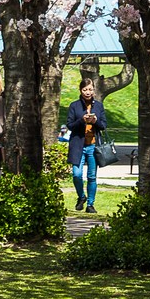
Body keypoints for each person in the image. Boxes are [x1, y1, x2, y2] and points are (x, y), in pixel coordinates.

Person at [65, 81, 107, 213]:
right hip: (78, 145)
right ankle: (81, 197)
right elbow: (70, 125)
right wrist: (81, 120)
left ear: (94, 90)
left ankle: (90, 204)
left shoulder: (99, 106)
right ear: (80, 90)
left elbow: (104, 125)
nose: (88, 92)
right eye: (85, 89)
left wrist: (95, 121)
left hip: (93, 146)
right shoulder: (74, 106)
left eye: (90, 89)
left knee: (92, 177)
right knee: (76, 175)